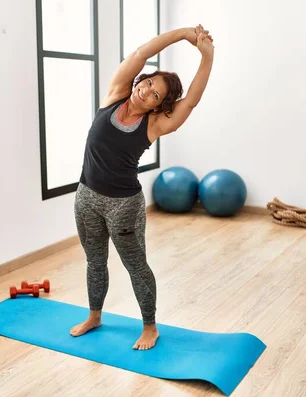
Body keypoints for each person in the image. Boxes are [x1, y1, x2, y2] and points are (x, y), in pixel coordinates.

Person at [70, 24, 214, 350]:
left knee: (135, 265)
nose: (146, 91)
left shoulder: (154, 124)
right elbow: (141, 53)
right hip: (86, 196)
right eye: (148, 83)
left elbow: (190, 101)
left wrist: (207, 55)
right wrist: (183, 34)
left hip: (123, 204)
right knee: (94, 261)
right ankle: (94, 316)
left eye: (156, 95)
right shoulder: (115, 93)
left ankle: (150, 326)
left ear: (157, 106)